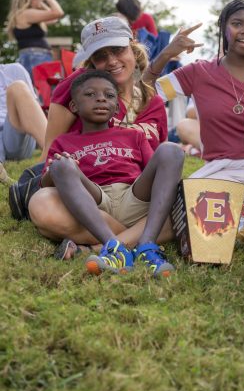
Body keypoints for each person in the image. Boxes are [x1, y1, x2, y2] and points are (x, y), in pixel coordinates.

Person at [29, 16, 169, 251]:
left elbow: (159, 170)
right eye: (101, 56)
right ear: (91, 61)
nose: (112, 61)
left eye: (117, 50)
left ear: (132, 46)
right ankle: (136, 240)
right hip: (88, 198)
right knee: (42, 206)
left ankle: (103, 247)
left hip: (136, 199)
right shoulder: (79, 88)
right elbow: (50, 153)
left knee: (183, 200)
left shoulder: (153, 103)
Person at [41, 70, 183, 276]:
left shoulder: (133, 136)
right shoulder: (64, 141)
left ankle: (147, 245)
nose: (100, 98)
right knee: (61, 165)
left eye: (109, 96)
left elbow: (155, 172)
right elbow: (46, 185)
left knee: (171, 150)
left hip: (133, 196)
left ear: (116, 107)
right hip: (94, 200)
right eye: (90, 94)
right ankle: (113, 247)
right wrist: (60, 166)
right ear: (74, 106)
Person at [149, 0, 244, 192]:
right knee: (181, 210)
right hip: (218, 174)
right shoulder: (198, 72)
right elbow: (145, 95)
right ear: (223, 28)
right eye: (237, 23)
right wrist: (165, 55)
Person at [0, 64, 48, 185]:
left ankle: (53, 151)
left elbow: (32, 109)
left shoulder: (14, 70)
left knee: (18, 87)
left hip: (15, 131)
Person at [5, 0, 64, 76]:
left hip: (35, 56)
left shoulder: (27, 15)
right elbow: (58, 13)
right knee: (39, 88)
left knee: (41, 89)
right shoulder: (26, 14)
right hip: (35, 56)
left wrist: (40, 3)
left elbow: (53, 19)